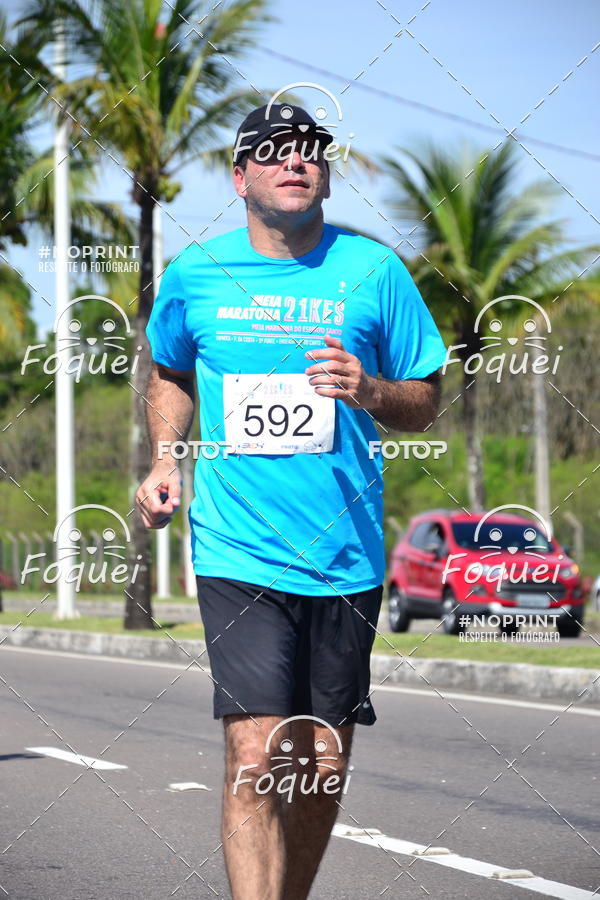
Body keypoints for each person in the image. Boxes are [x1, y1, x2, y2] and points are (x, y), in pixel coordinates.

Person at [137, 103, 446, 900]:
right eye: (273, 152)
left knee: (321, 764)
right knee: (255, 756)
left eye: (309, 151)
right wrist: (167, 456)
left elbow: (426, 398)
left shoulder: (374, 272)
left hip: (344, 554)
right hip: (237, 547)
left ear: (327, 175)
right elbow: (170, 372)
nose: (295, 162)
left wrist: (372, 390)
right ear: (241, 177)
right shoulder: (197, 273)